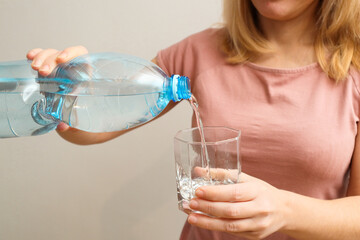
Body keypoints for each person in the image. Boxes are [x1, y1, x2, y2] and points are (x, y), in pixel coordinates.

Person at [26, 0, 360, 239]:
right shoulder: (199, 52)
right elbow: (86, 132)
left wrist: (284, 211)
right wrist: (70, 88)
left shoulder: (355, 68)